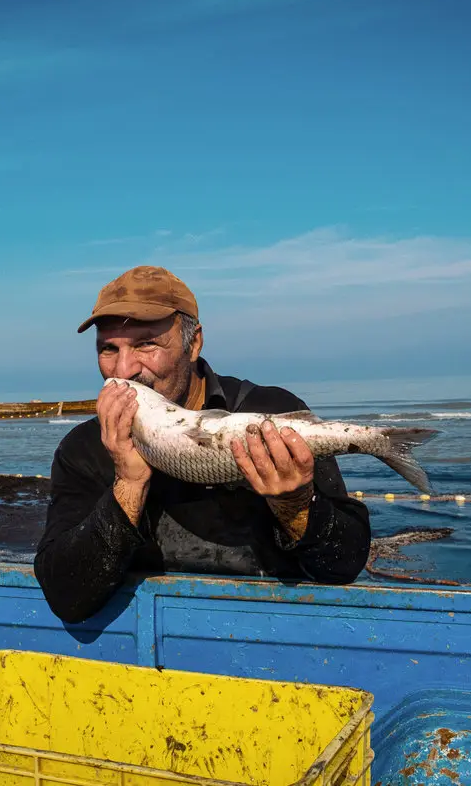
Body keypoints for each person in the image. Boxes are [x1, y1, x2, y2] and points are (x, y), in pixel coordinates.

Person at [34, 265, 372, 623]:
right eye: (108, 349)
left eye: (146, 344)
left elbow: (343, 565)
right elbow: (67, 598)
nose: (124, 369)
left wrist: (295, 504)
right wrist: (128, 484)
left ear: (193, 343)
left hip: (272, 629)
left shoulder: (269, 414)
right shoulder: (85, 448)